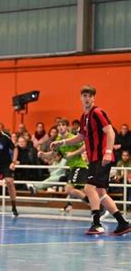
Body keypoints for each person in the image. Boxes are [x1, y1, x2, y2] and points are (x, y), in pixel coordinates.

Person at [51, 85, 130, 235]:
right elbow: (80, 137)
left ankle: (96, 223)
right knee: (100, 193)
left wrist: (108, 152)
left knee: (88, 188)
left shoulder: (97, 113)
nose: (86, 98)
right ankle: (123, 223)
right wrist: (61, 142)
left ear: (93, 98)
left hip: (101, 158)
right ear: (81, 98)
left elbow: (110, 132)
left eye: (89, 96)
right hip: (94, 159)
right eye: (84, 96)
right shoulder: (84, 117)